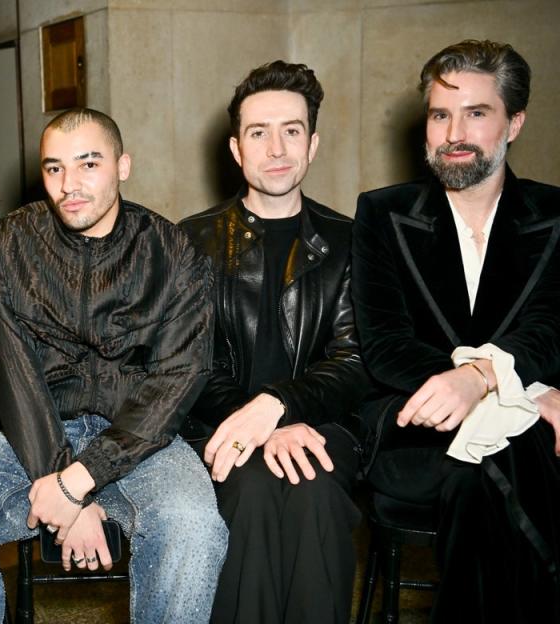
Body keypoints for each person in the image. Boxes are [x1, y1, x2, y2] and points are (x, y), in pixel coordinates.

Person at [0, 108, 227, 623]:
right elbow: (16, 378)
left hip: (141, 436)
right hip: (37, 429)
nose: (69, 185)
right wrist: (65, 489)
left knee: (193, 523)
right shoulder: (6, 246)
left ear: (122, 166)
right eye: (54, 168)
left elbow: (178, 380)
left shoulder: (175, 252)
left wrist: (79, 480)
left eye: (88, 164)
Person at [353, 39, 560, 622]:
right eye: (441, 114)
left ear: (514, 123)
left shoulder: (554, 217)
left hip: (526, 435)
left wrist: (488, 380)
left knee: (486, 475)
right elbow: (387, 345)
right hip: (414, 423)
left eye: (477, 113)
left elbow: (550, 327)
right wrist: (499, 381)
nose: (454, 133)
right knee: (505, 463)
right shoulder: (382, 213)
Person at [179, 61, 368, 624]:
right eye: (259, 132)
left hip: (326, 425)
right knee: (254, 489)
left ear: (313, 143)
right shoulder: (191, 241)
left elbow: (354, 362)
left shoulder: (351, 241)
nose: (277, 147)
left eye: (292, 130)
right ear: (237, 149)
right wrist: (255, 422)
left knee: (312, 487)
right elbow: (191, 365)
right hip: (221, 426)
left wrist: (282, 410)